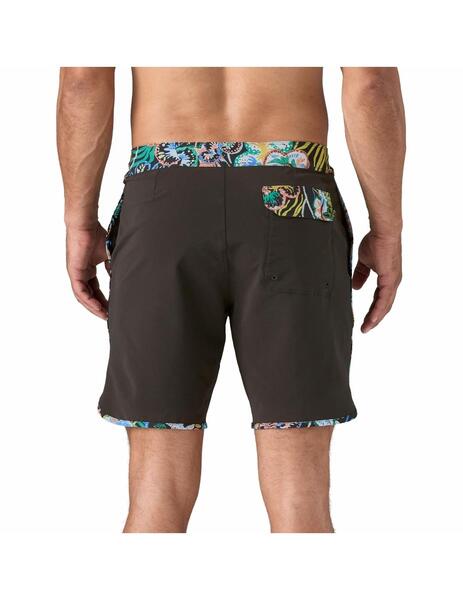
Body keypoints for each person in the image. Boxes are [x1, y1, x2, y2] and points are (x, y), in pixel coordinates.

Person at [57, 67, 405, 533]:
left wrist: (79, 222)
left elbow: (82, 80)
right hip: (294, 201)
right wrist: (387, 229)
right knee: (299, 496)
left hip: (164, 204)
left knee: (157, 491)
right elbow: (371, 83)